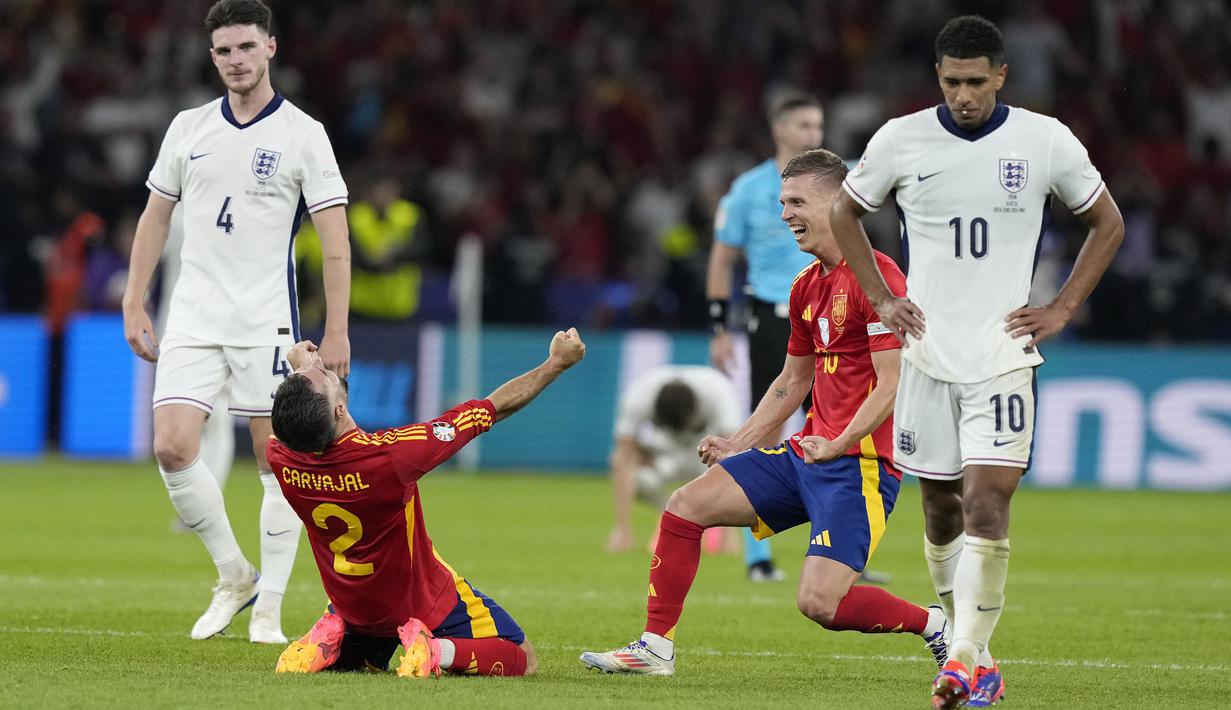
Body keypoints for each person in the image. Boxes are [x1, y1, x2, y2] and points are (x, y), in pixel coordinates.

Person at [829, 16, 1124, 710]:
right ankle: (980, 658)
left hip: (1001, 355)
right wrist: (880, 298)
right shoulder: (900, 139)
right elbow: (844, 213)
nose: (963, 95)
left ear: (1001, 76)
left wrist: (1062, 308)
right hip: (928, 354)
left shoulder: (1045, 140)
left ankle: (960, 658)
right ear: (938, 76)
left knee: (986, 500)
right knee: (939, 509)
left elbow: (1106, 222)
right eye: (952, 82)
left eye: (975, 82)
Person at [581, 149, 949, 678]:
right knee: (685, 505)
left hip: (859, 466)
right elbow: (792, 381)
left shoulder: (879, 279)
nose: (784, 214)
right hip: (806, 455)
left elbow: (892, 384)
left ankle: (934, 624)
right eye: (782, 203)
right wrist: (739, 442)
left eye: (796, 202)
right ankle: (655, 648)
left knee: (820, 604)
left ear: (838, 205)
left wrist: (839, 443)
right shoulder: (806, 286)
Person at [121, 0, 353, 644]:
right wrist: (135, 298)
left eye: (247, 46)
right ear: (212, 56)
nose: (235, 60)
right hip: (193, 315)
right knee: (172, 446)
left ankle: (271, 609)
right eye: (224, 50)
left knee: (276, 461)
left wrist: (337, 328)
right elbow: (155, 217)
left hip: (266, 321)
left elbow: (335, 239)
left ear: (270, 47)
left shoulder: (303, 134)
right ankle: (235, 575)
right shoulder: (188, 127)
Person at [267, 329, 586, 677]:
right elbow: (492, 409)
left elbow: (292, 424)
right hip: (418, 601)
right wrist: (555, 364)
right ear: (339, 409)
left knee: (365, 661)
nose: (320, 365)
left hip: (355, 608)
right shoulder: (391, 457)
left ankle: (332, 638)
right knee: (522, 658)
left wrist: (301, 372)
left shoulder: (281, 457)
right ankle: (436, 649)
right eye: (322, 374)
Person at [705, 91, 822, 582]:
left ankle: (838, 550)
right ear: (779, 130)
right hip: (774, 317)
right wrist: (720, 327)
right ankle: (758, 556)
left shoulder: (832, 186)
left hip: (828, 313)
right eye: (804, 126)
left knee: (833, 428)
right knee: (769, 425)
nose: (813, 134)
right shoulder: (749, 189)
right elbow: (722, 259)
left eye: (818, 126)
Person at [606, 365, 753, 569]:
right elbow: (624, 453)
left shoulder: (717, 390)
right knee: (624, 464)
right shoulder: (639, 395)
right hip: (663, 456)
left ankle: (711, 522)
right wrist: (622, 529)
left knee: (729, 462)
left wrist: (730, 536)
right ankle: (673, 516)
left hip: (704, 458)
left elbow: (733, 455)